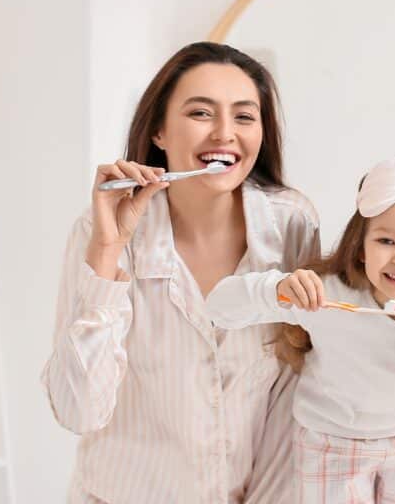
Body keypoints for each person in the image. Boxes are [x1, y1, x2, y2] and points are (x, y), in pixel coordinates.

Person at [41, 42, 320, 503]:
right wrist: (108, 252)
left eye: (245, 117)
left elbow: (297, 394)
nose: (225, 133)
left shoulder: (291, 225)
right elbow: (78, 411)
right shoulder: (101, 232)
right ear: (159, 131)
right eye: (200, 114)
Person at [208, 156, 395, 503]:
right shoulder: (325, 296)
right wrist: (277, 289)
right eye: (386, 241)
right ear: (361, 247)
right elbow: (218, 308)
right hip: (332, 443)